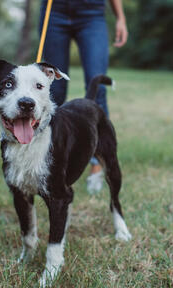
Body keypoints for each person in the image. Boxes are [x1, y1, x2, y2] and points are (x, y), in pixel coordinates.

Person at [39, 0, 128, 194]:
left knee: (97, 89)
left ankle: (97, 163)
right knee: (55, 91)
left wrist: (120, 17)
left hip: (92, 12)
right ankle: (50, 161)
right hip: (54, 11)